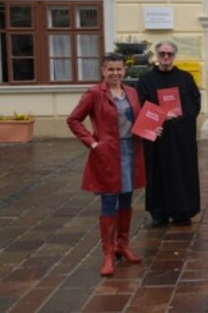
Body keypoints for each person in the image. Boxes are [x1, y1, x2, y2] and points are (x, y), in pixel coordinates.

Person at [67, 53, 158, 276]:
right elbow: (73, 120)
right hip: (107, 155)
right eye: (111, 70)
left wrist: (151, 129)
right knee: (109, 202)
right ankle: (108, 254)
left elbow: (137, 121)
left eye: (119, 69)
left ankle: (122, 246)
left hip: (131, 152)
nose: (115, 73)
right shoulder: (95, 94)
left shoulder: (132, 93)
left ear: (124, 71)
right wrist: (93, 143)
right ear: (103, 71)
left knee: (126, 201)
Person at [136, 40, 201, 227]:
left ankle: (183, 211)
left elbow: (195, 103)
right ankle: (159, 212)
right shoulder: (146, 80)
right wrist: (161, 116)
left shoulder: (186, 78)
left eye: (169, 54)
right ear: (157, 56)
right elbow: (141, 106)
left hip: (181, 137)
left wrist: (179, 119)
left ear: (174, 55)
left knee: (182, 172)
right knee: (157, 172)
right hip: (157, 136)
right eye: (162, 53)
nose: (166, 57)